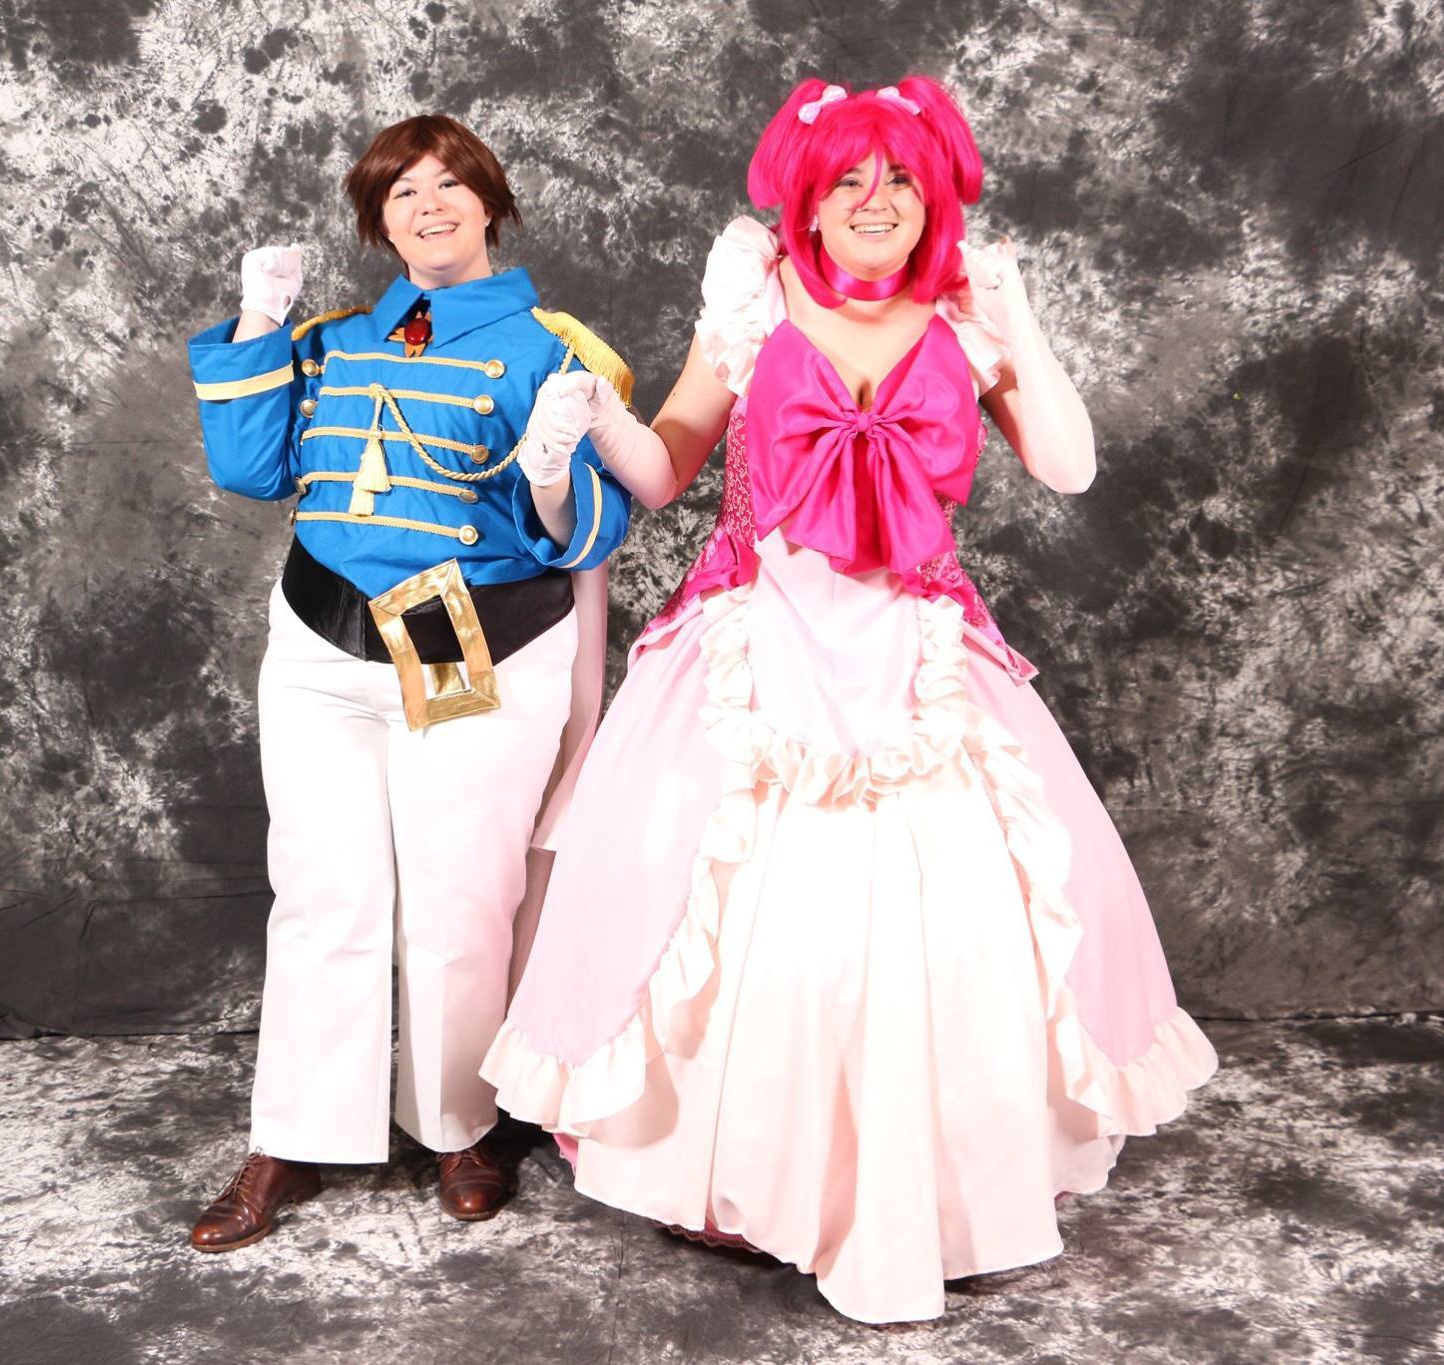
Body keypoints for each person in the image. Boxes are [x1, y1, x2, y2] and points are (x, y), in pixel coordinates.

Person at [481, 77, 1217, 1322]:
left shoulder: (962, 312)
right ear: (807, 203)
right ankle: (752, 1183)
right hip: (755, 637)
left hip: (915, 648)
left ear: (931, 200)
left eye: (899, 181)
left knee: (961, 915)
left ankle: (935, 1192)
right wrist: (594, 417)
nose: (874, 201)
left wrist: (1019, 321)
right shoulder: (750, 299)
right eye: (846, 182)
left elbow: (1066, 467)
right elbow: (663, 472)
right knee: (719, 910)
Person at [183, 113, 634, 1251]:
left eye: (448, 185)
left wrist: (551, 468)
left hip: (461, 633)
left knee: (457, 895)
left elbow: (586, 536)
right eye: (401, 194)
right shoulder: (334, 341)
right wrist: (259, 321)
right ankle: (292, 1136)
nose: (428, 207)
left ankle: (458, 1126)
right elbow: (251, 468)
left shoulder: (550, 348)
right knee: (320, 891)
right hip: (320, 632)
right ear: (378, 223)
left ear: (490, 203)